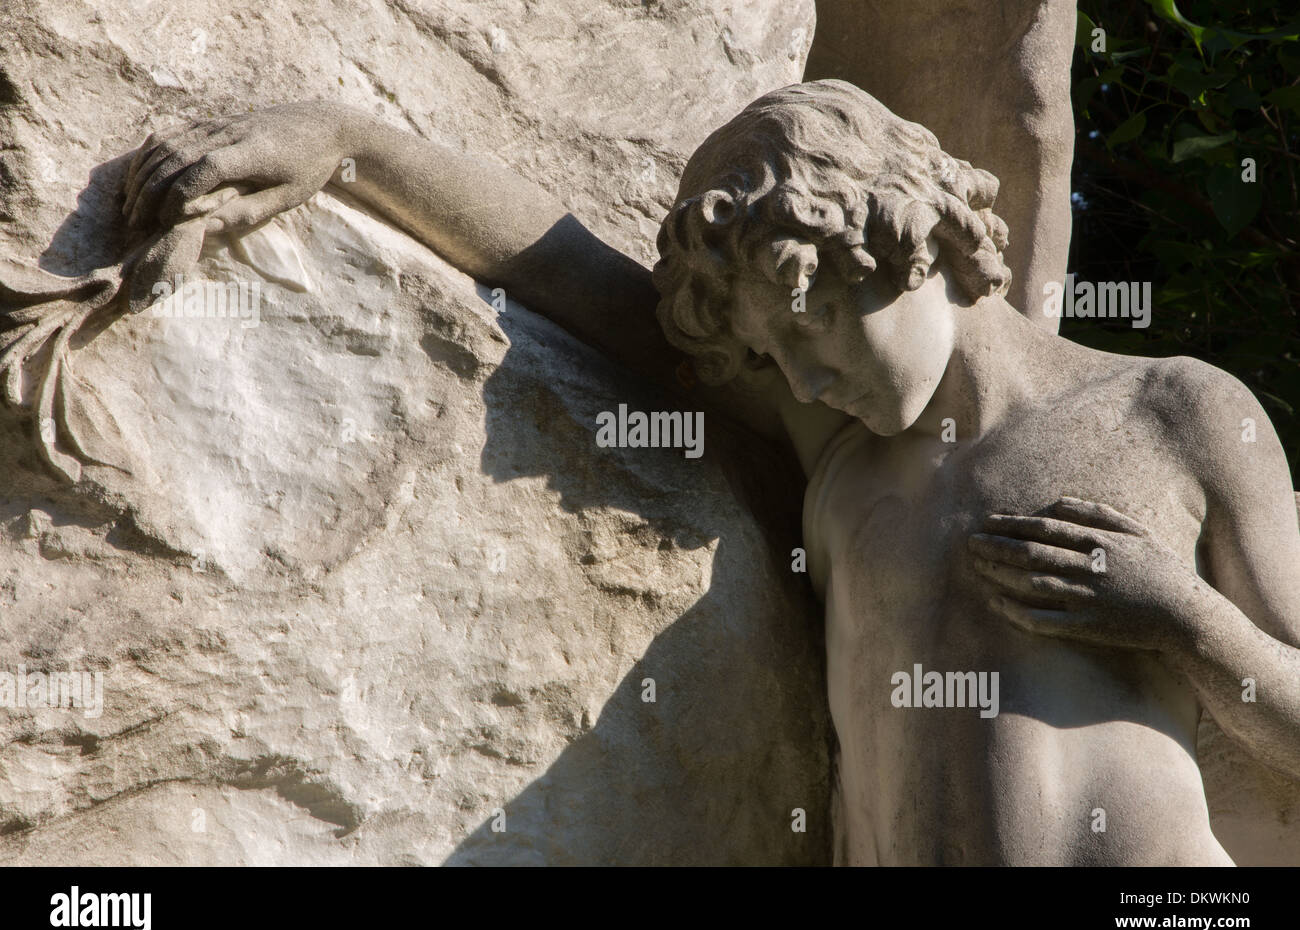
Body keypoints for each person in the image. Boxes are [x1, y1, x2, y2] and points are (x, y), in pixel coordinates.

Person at [122, 79, 1300, 865]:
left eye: (816, 320)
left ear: (910, 241)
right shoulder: (831, 450)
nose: (801, 372)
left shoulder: (1171, 410)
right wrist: (349, 146)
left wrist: (1183, 617)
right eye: (768, 351)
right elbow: (575, 274)